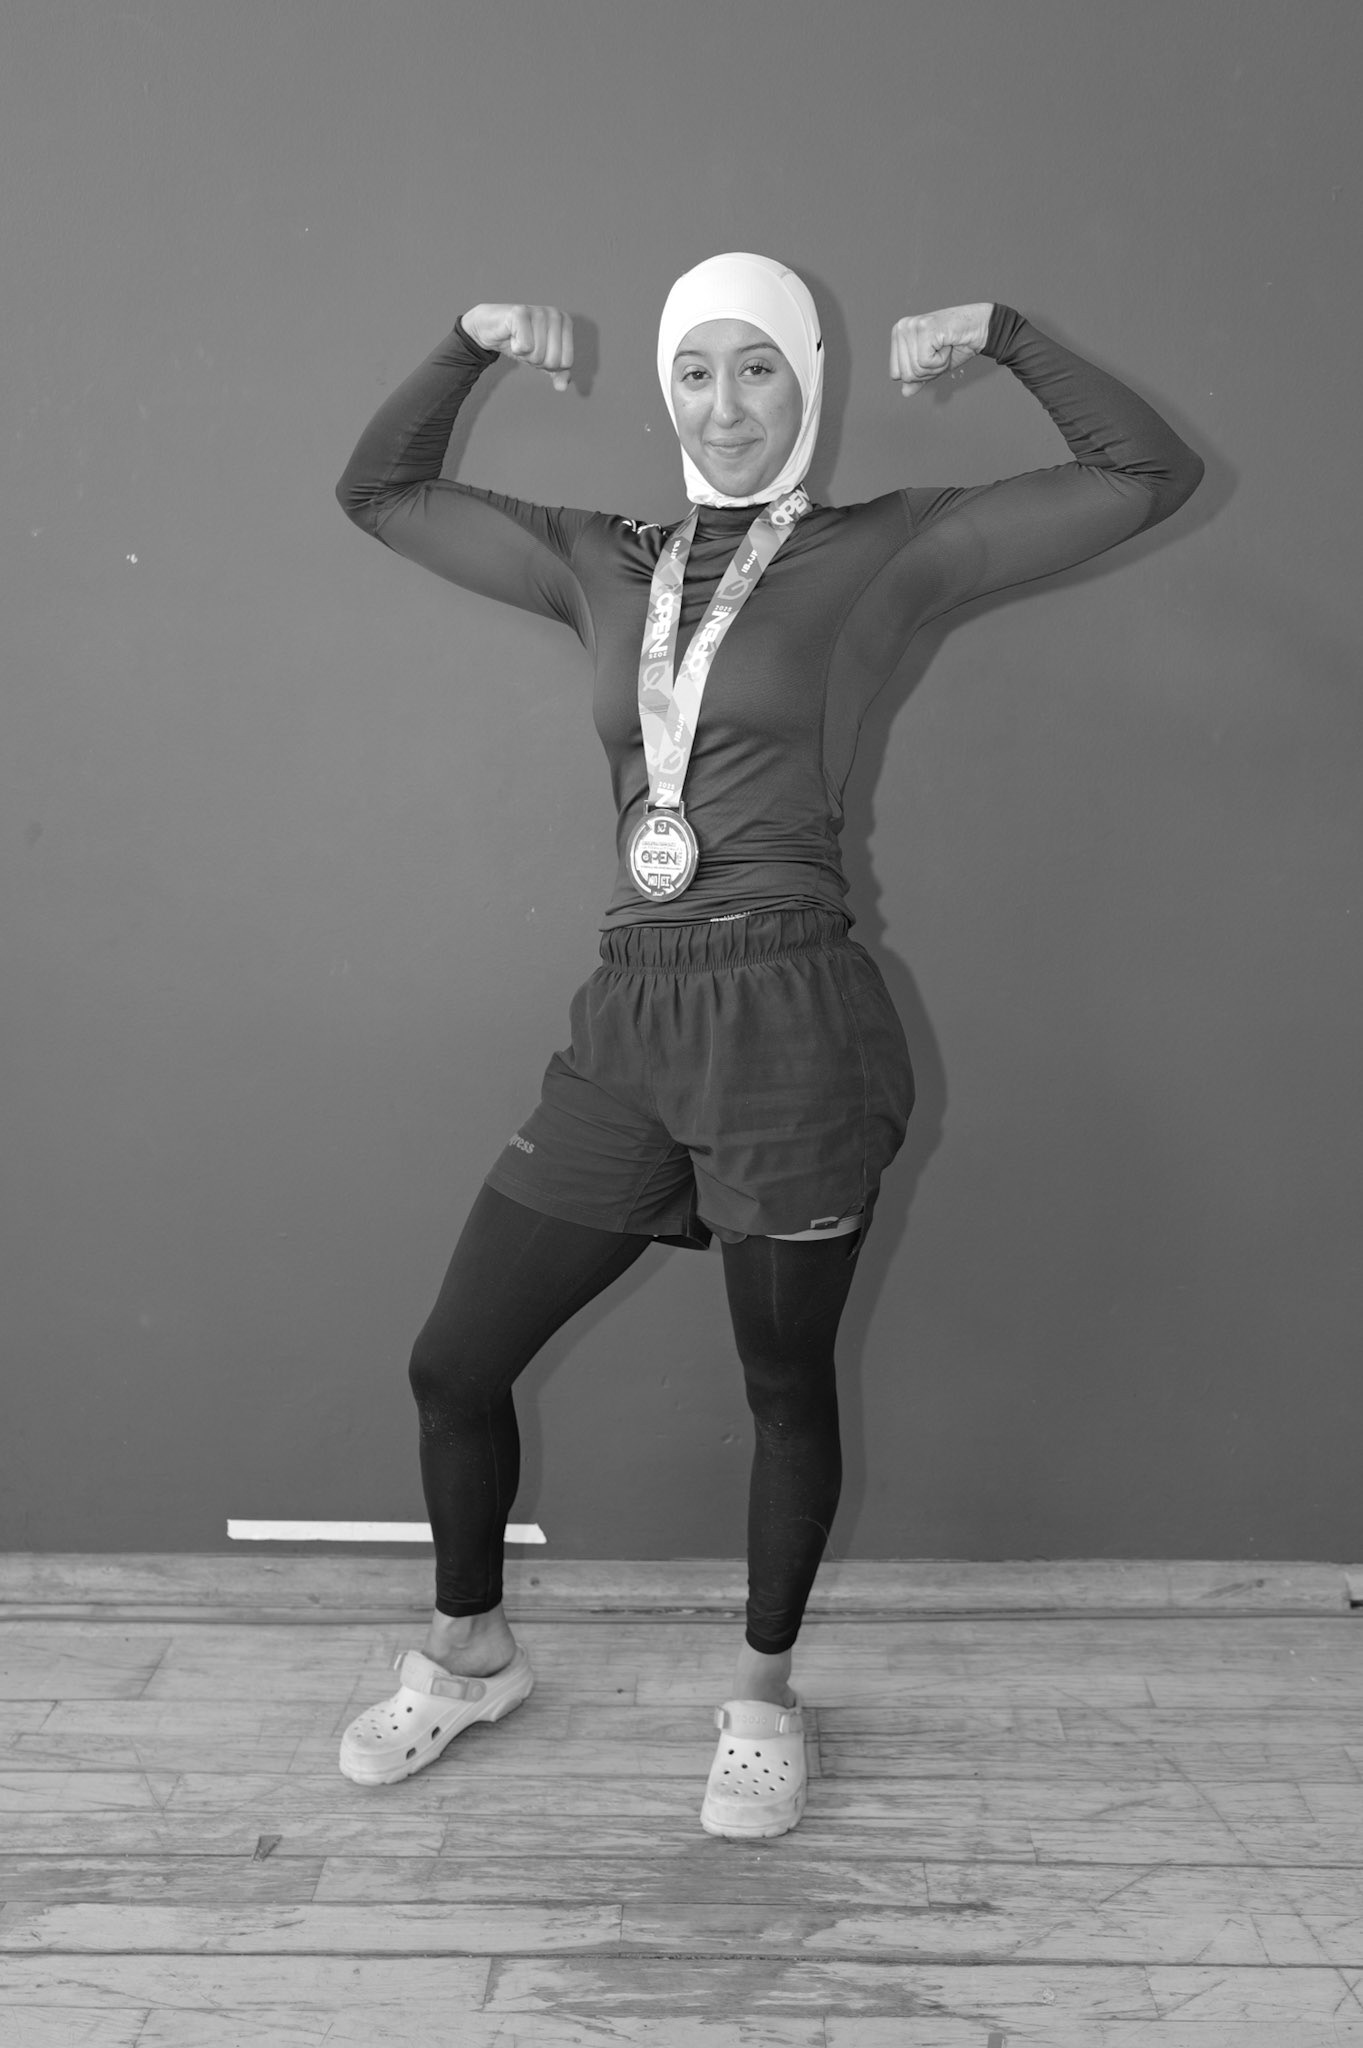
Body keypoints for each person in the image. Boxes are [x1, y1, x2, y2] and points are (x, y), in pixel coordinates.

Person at [333, 253, 1203, 1836]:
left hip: (792, 1021)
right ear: (663, 389)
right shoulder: (604, 560)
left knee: (782, 1382)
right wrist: (464, 346)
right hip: (632, 1013)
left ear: (810, 381)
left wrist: (1012, 339)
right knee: (454, 1362)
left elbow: (1146, 473)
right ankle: (469, 1654)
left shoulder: (887, 548)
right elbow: (380, 493)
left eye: (759, 369)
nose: (725, 405)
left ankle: (761, 1698)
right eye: (695, 370)